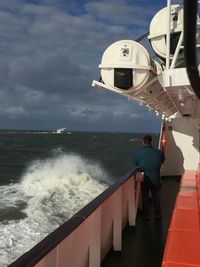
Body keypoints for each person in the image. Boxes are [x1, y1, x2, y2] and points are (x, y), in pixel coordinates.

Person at [133, 135, 165, 221]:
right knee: (156, 196)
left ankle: (146, 215)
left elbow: (135, 163)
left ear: (143, 142)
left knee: (145, 196)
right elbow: (162, 160)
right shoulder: (159, 152)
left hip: (145, 178)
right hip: (155, 178)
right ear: (151, 141)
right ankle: (158, 215)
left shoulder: (138, 153)